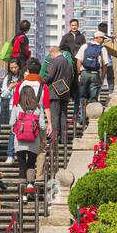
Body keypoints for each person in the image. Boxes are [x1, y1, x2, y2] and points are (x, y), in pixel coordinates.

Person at [10, 63, 51, 193]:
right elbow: (43, 125)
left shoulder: (17, 106)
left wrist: (15, 129)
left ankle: (22, 191)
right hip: (34, 140)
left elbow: (11, 122)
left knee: (22, 164)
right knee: (31, 163)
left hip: (20, 140)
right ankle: (30, 185)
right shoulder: (38, 108)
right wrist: (43, 138)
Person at [43, 45, 74, 148]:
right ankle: (64, 140)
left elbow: (49, 76)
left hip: (54, 92)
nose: (50, 58)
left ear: (53, 52)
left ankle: (54, 139)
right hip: (65, 92)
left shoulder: (55, 61)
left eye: (50, 55)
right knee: (63, 116)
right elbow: (71, 77)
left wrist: (41, 82)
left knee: (55, 116)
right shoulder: (69, 63)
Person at [75, 32, 109, 122]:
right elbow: (105, 65)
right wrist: (102, 77)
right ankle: (92, 117)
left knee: (82, 96)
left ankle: (83, 116)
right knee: (93, 97)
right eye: (103, 38)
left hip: (84, 73)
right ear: (98, 38)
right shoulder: (103, 49)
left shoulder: (85, 46)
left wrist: (79, 74)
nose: (103, 40)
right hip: (95, 74)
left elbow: (78, 61)